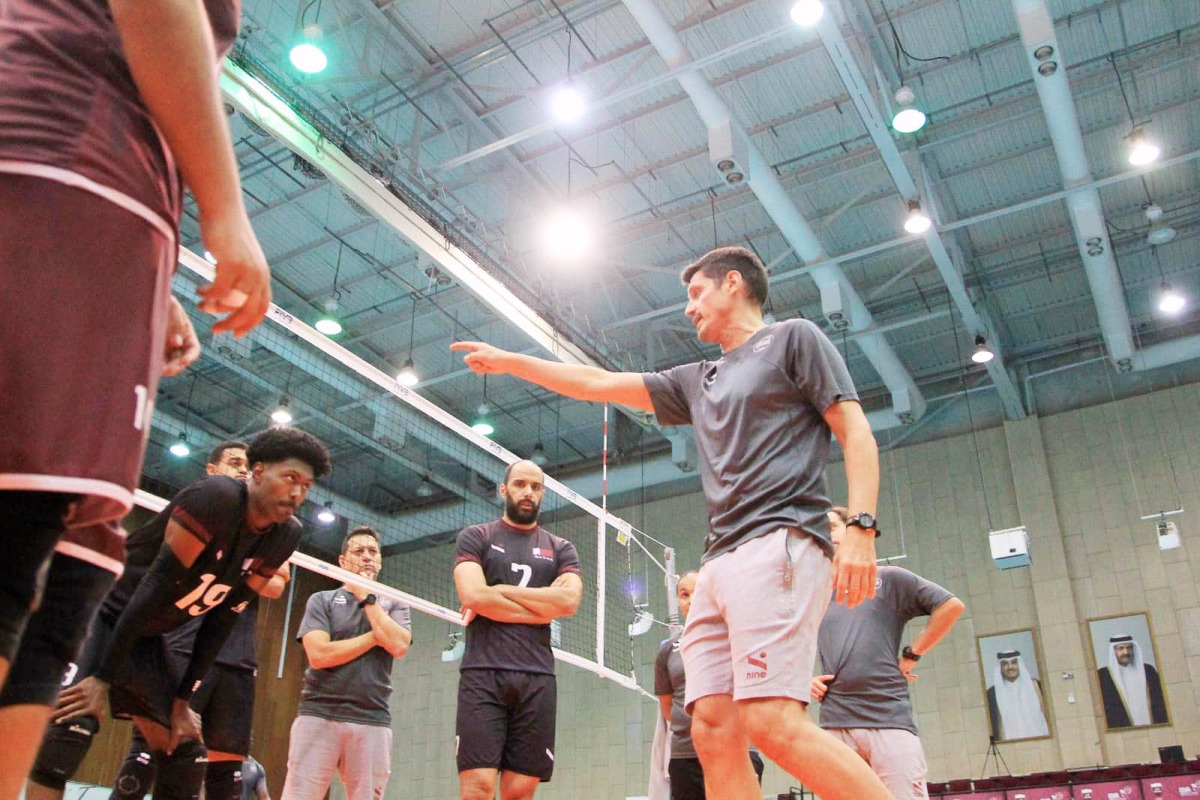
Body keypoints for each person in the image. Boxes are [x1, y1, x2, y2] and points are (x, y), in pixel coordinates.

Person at [452, 246, 889, 800]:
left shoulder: (793, 339)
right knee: (709, 728)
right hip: (717, 564)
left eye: (696, 294)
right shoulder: (694, 379)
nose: (688, 310)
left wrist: (861, 527)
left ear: (734, 283)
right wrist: (513, 361)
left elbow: (856, 431)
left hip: (778, 541)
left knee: (772, 723)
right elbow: (595, 383)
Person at [0, 1, 272, 791]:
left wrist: (156, 285)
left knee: (73, 566)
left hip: (110, 206)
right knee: (18, 531)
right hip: (65, 161)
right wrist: (225, 212)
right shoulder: (215, 504)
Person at [24, 427, 329, 800]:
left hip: (147, 633)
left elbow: (223, 617)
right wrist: (102, 679)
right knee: (71, 726)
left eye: (307, 486)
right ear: (259, 471)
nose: (298, 493)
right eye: (291, 479)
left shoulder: (285, 535)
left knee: (184, 753)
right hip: (102, 610)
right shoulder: (216, 499)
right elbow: (152, 588)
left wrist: (183, 700)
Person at [811, 508, 965, 800]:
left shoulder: (890, 579)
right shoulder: (811, 592)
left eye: (831, 526)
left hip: (889, 719)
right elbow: (788, 644)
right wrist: (804, 681)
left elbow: (951, 606)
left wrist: (912, 653)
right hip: (835, 723)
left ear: (850, 530)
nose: (825, 534)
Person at [453, 460, 584, 800]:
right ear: (503, 489)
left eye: (536, 487)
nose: (528, 492)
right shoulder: (477, 537)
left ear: (543, 494)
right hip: (483, 674)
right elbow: (472, 594)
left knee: (520, 791)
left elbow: (569, 602)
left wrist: (496, 592)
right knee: (478, 787)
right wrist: (542, 609)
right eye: (520, 484)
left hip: (537, 676)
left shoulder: (561, 548)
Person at [281, 526, 412, 800]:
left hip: (372, 718)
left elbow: (399, 646)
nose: (366, 557)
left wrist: (367, 597)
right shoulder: (322, 600)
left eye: (372, 552)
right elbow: (319, 655)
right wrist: (376, 637)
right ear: (342, 561)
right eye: (358, 551)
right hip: (318, 714)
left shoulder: (397, 603)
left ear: (380, 560)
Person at [656, 571, 764, 799]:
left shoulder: (736, 635)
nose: (691, 599)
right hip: (685, 755)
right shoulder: (667, 650)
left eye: (697, 591)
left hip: (735, 748)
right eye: (684, 594)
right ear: (679, 602)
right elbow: (668, 709)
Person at [1097, 634, 1167, 728]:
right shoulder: (1103, 675)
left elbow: (1160, 700)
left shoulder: (1148, 670)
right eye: (1121, 648)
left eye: (1129, 648)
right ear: (1113, 651)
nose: (1126, 652)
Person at [985, 651, 1049, 740]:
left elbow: (1047, 714)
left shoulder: (1036, 685)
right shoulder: (992, 693)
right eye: (1005, 664)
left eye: (1014, 662)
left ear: (1020, 665)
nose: (1010, 667)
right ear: (1000, 668)